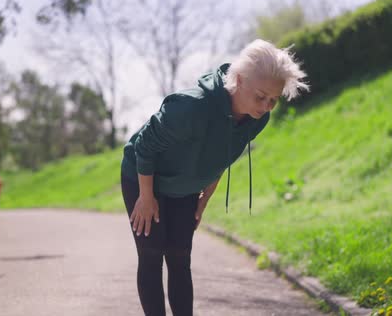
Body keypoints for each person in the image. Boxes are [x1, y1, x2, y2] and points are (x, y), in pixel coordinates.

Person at [120, 39, 308, 316]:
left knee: (180, 257)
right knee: (151, 255)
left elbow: (223, 156)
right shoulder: (190, 106)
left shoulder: (258, 118)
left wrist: (204, 200)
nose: (266, 106)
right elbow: (144, 146)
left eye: (273, 100)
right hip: (144, 177)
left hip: (186, 187)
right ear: (239, 80)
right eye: (260, 96)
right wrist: (146, 197)